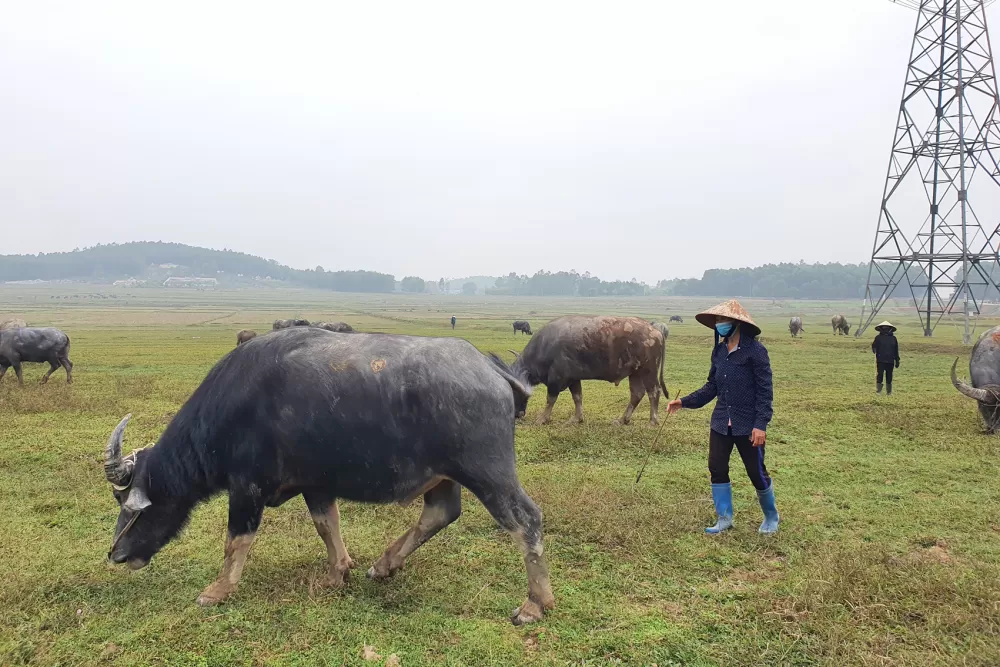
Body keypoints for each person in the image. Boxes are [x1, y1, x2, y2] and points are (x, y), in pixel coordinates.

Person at [667, 299, 779, 534]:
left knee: (755, 471)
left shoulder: (756, 352)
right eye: (717, 320)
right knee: (717, 467)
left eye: (723, 320)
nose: (719, 324)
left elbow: (765, 391)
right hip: (721, 423)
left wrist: (761, 425)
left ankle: (771, 517)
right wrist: (684, 402)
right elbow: (711, 387)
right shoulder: (719, 351)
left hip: (748, 424)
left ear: (737, 323)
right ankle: (724, 518)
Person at [871, 321, 900, 395]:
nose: (885, 329)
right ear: (881, 329)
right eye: (884, 328)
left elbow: (896, 350)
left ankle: (889, 392)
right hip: (881, 360)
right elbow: (874, 346)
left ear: (890, 329)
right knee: (880, 374)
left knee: (889, 376)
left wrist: (897, 360)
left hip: (890, 360)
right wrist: (874, 350)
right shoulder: (878, 338)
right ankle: (878, 391)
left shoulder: (893, 338)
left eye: (887, 328)